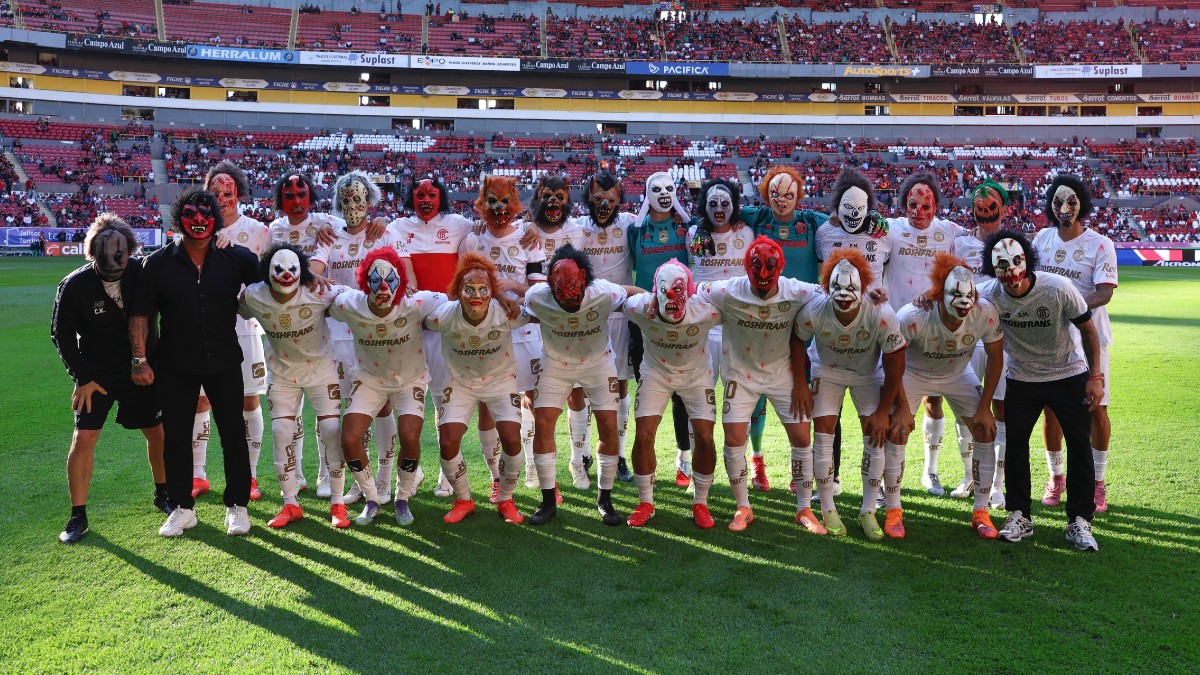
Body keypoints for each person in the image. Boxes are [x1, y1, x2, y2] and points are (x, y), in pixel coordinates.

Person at [130, 189, 262, 538]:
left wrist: (312, 276)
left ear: (216, 219)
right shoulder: (157, 263)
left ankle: (237, 506)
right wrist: (139, 359)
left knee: (233, 433)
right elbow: (141, 314)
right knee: (176, 437)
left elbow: (280, 276)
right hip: (175, 363)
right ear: (179, 218)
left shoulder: (236, 258)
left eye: (206, 214)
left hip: (224, 359)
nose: (200, 220)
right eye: (191, 213)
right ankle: (182, 508)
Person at [982, 230, 1103, 552]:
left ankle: (1079, 520)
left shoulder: (1058, 287)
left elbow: (1089, 331)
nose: (1010, 271)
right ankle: (1020, 515)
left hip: (1068, 374)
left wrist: (1096, 377)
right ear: (992, 268)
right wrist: (928, 297)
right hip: (1022, 379)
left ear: (1028, 260)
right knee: (1016, 446)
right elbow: (952, 295)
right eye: (1001, 265)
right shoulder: (990, 293)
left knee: (1079, 445)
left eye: (1016, 261)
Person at [52, 213, 167, 544]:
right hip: (97, 375)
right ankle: (77, 516)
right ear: (92, 256)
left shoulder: (143, 274)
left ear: (130, 252)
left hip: (142, 370)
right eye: (105, 269)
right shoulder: (74, 285)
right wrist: (82, 377)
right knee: (83, 439)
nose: (113, 272)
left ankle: (163, 494)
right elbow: (60, 334)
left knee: (157, 432)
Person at [698, 236, 819, 531]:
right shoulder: (729, 290)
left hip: (783, 374)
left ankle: (804, 509)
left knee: (803, 439)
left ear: (780, 268)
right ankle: (743, 507)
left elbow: (832, 293)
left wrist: (872, 294)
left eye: (770, 269)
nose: (763, 277)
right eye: (757, 269)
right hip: (741, 375)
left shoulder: (797, 290)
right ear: (746, 268)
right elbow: (697, 290)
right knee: (734, 439)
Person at [310, 171, 413, 507]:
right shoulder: (329, 234)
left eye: (359, 198)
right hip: (338, 334)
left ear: (370, 200)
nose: (352, 205)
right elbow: (313, 270)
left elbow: (406, 279)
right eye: (346, 199)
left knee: (381, 404)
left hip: (378, 334)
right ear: (338, 202)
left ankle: (385, 478)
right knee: (347, 407)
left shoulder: (387, 231)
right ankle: (359, 478)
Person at [794, 249, 909, 538]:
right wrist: (800, 382)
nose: (844, 294)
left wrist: (884, 410)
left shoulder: (880, 312)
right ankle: (828, 508)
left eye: (851, 288)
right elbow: (797, 341)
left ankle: (867, 510)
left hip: (867, 375)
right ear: (826, 286)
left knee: (875, 434)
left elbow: (895, 360)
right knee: (822, 434)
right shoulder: (815, 309)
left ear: (863, 288)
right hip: (827, 372)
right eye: (836, 287)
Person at [522, 245, 640, 525]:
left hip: (598, 362)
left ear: (585, 279)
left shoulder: (602, 291)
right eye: (561, 292)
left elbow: (632, 292)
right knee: (543, 424)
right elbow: (523, 309)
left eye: (574, 288)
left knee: (608, 426)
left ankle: (605, 498)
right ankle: (548, 500)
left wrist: (654, 300)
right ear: (550, 285)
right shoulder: (538, 296)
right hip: (555, 363)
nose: (569, 298)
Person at [328, 246, 446, 526]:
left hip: (410, 380)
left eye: (391, 280)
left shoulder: (416, 302)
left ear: (401, 282)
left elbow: (446, 300)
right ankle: (371, 499)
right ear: (363, 281)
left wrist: (431, 320)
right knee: (349, 438)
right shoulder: (349, 304)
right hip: (369, 380)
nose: (383, 287)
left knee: (410, 437)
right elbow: (326, 300)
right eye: (375, 280)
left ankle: (402, 498)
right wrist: (323, 283)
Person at [895, 253, 1005, 538]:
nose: (963, 303)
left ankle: (981, 511)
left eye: (969, 295)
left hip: (957, 373)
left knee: (985, 427)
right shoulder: (913, 314)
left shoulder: (985, 312)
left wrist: (984, 408)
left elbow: (995, 359)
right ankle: (892, 507)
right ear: (938, 293)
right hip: (913, 373)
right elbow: (891, 359)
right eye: (955, 294)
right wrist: (899, 407)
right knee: (894, 427)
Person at [734, 165, 830, 492]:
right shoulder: (757, 218)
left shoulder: (813, 222)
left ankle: (799, 468)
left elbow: (846, 222)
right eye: (775, 193)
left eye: (789, 194)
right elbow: (720, 209)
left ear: (798, 195)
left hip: (804, 324)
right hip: (765, 322)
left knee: (801, 397)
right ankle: (757, 462)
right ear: (766, 193)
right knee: (758, 398)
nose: (782, 200)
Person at [1031, 175, 1117, 513]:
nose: (1064, 208)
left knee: (1097, 410)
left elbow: (1105, 292)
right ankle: (1056, 478)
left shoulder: (1100, 243)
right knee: (1051, 411)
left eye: (1070, 202)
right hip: (1049, 339)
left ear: (1081, 203)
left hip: (1089, 339)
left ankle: (1098, 483)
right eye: (1057, 202)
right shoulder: (1041, 238)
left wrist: (1071, 306)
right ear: (1050, 206)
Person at [185, 160, 271, 502]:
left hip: (246, 328)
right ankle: (198, 475)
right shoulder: (195, 228)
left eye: (228, 192)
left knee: (249, 399)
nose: (221, 198)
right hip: (205, 329)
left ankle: (249, 477)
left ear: (239, 194)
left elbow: (268, 282)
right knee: (200, 399)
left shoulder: (259, 232)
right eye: (215, 192)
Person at [460, 176, 545, 500]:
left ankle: (537, 471)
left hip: (524, 331)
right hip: (486, 337)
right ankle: (497, 476)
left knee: (534, 401)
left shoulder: (528, 237)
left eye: (505, 201)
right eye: (492, 201)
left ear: (515, 204)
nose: (499, 208)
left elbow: (538, 287)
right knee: (487, 407)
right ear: (482, 204)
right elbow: (462, 286)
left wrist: (513, 287)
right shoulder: (472, 239)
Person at [425, 254, 527, 523]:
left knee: (512, 438)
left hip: (500, 380)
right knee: (447, 441)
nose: (477, 296)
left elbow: (545, 310)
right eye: (469, 289)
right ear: (458, 291)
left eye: (484, 289)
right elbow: (418, 320)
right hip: (459, 383)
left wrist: (515, 295)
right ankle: (463, 499)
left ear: (492, 290)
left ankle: (506, 499)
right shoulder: (443, 316)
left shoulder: (506, 312)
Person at [886, 171, 968, 498]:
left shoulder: (949, 232)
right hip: (896, 331)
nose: (919, 212)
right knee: (893, 405)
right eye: (913, 204)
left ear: (936, 206)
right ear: (904, 204)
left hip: (934, 332)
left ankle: (930, 471)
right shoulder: (889, 228)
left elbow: (981, 232)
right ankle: (886, 480)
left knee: (934, 401)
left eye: (926, 205)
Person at [624, 260, 722, 528]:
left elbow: (734, 297)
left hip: (696, 374)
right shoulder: (642, 307)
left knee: (704, 435)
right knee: (643, 433)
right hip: (656, 372)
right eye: (664, 292)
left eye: (679, 291)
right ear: (656, 293)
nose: (670, 298)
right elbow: (618, 293)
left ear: (689, 292)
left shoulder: (705, 308)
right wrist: (644, 293)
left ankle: (700, 502)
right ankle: (645, 501)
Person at [626, 171, 697, 488]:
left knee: (682, 396)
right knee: (647, 394)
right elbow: (634, 232)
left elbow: (695, 226)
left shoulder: (684, 228)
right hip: (644, 321)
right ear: (646, 193)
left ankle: (684, 460)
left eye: (671, 189)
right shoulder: (637, 230)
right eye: (656, 189)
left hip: (680, 322)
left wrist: (681, 207)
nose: (664, 194)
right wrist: (645, 202)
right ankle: (647, 465)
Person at [577, 170, 639, 489]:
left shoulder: (629, 223)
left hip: (621, 315)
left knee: (621, 387)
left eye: (610, 199)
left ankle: (620, 453)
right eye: (598, 198)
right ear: (589, 196)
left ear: (619, 199)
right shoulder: (577, 228)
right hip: (589, 318)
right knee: (585, 388)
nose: (604, 204)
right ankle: (585, 454)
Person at [952, 180, 1011, 507]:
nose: (986, 214)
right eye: (980, 209)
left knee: (1000, 410)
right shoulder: (960, 245)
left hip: (1001, 340)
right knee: (967, 412)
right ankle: (970, 475)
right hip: (965, 338)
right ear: (972, 210)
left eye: (991, 209)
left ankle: (998, 484)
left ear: (1003, 208)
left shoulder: (1014, 244)